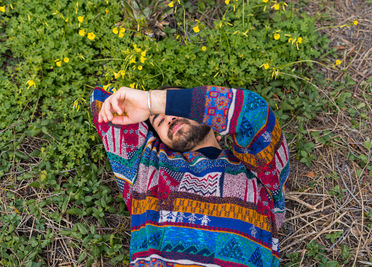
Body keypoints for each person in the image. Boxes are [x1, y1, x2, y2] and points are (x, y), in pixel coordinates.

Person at [90, 85, 289, 267]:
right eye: (159, 120)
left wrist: (151, 101)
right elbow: (103, 106)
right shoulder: (147, 168)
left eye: (177, 109)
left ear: (215, 120)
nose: (169, 118)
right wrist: (141, 106)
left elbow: (254, 112)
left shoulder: (257, 171)